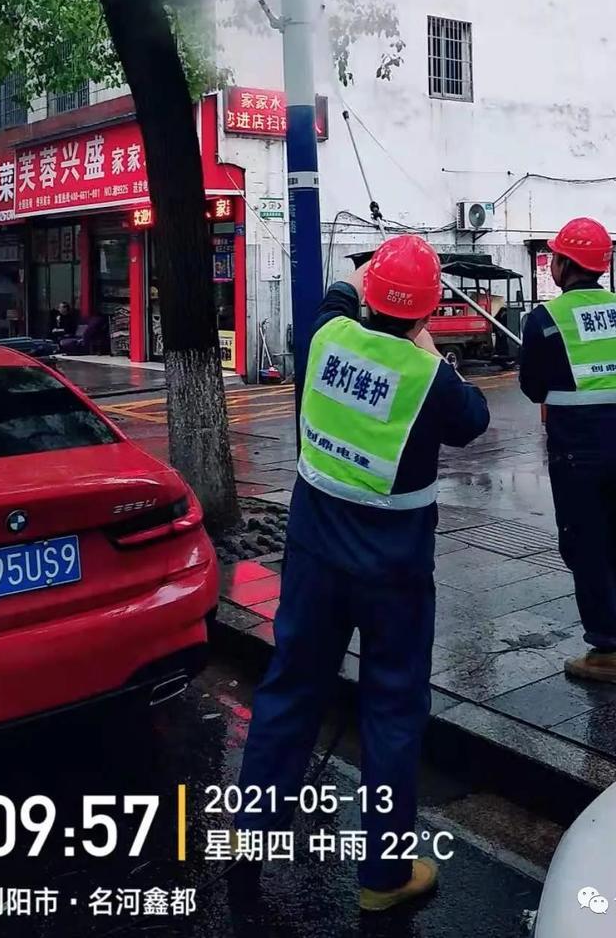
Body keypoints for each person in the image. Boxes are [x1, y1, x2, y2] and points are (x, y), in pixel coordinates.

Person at [233, 235, 490, 911]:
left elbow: (338, 294)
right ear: (425, 314)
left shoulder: (324, 338)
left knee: (289, 691)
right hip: (394, 569)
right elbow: (475, 419)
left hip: (316, 552)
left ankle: (252, 841)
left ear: (368, 295)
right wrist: (428, 348)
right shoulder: (430, 379)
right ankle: (383, 877)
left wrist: (364, 272)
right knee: (393, 708)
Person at [519, 218, 616, 685]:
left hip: (576, 451)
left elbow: (533, 387)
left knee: (587, 544)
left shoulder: (546, 319)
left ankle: (607, 651)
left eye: (554, 257)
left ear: (565, 264)